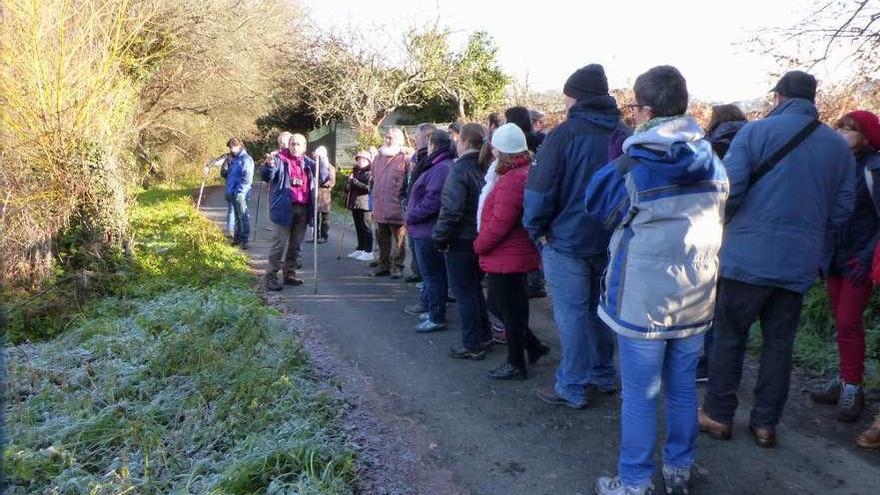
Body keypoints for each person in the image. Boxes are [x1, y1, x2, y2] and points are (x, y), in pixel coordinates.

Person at [586, 65, 729, 495]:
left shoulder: (632, 166)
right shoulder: (715, 162)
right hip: (696, 296)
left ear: (645, 110)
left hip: (643, 302)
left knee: (641, 395)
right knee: (683, 389)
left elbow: (599, 209)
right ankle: (679, 470)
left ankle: (633, 482)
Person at [701, 70, 856, 449]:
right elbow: (843, 209)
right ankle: (766, 424)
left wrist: (727, 227)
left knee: (729, 337)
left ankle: (719, 415)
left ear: (779, 96)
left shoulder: (753, 133)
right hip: (799, 264)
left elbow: (729, 192)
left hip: (746, 258)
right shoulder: (837, 147)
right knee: (778, 345)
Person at [523, 63, 620, 409]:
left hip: (566, 239)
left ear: (575, 98)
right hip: (610, 240)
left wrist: (537, 228)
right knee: (601, 311)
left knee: (572, 313)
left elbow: (539, 192)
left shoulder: (564, 135)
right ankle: (604, 374)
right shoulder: (622, 134)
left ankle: (573, 385)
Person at [810, 110, 880, 423]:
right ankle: (845, 379)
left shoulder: (875, 168)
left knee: (849, 321)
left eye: (849, 129)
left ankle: (853, 387)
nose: (841, 132)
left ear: (866, 137)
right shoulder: (838, 165)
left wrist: (865, 258)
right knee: (842, 321)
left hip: (857, 260)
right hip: (836, 257)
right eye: (839, 126)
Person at [475, 123, 550, 380]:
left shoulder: (511, 179)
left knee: (505, 308)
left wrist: (478, 245)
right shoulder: (522, 171)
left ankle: (517, 362)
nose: (492, 152)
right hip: (514, 253)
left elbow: (500, 223)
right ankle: (533, 347)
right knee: (510, 308)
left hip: (507, 254)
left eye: (495, 148)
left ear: (502, 151)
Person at [697, 104, 748, 381]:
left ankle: (711, 363)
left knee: (713, 303)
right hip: (750, 236)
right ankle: (731, 367)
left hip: (718, 232)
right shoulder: (757, 142)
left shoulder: (712, 147)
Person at [434, 123, 492, 360]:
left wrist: (439, 237)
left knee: (464, 292)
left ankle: (472, 343)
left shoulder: (459, 171)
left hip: (461, 239)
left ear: (465, 142)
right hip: (479, 237)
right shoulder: (486, 166)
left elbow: (452, 209)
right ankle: (484, 334)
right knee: (475, 290)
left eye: (457, 140)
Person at [262, 133, 329, 290]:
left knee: (296, 244)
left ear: (305, 147)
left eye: (298, 144)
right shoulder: (279, 159)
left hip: (303, 209)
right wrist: (269, 165)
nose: (295, 147)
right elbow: (267, 176)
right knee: (279, 244)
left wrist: (323, 160)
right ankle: (271, 276)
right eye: (292, 144)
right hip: (284, 208)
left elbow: (323, 177)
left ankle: (289, 274)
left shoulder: (308, 163)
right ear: (288, 145)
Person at [405, 129, 456, 332]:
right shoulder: (438, 164)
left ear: (433, 144)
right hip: (425, 228)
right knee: (435, 274)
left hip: (427, 229)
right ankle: (434, 309)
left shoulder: (441, 167)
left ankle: (436, 315)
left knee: (432, 274)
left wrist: (412, 215)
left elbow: (433, 199)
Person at [505, 106, 548, 298]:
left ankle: (531, 280)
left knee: (525, 235)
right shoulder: (541, 139)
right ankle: (537, 281)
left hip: (522, 191)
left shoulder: (514, 142)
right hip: (540, 190)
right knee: (535, 236)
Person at [371, 128, 412, 279]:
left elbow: (410, 181)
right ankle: (383, 265)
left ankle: (398, 267)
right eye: (386, 137)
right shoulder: (378, 158)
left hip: (397, 207)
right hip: (380, 205)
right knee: (382, 239)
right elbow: (373, 177)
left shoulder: (406, 158)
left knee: (399, 241)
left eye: (390, 138)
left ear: (399, 140)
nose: (387, 140)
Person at [402, 123, 437, 284]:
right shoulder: (417, 156)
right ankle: (418, 273)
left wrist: (415, 212)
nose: (414, 139)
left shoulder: (429, 160)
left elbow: (430, 191)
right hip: (413, 207)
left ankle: (426, 283)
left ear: (426, 137)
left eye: (417, 136)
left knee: (426, 258)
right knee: (414, 245)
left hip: (422, 214)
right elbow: (410, 180)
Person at [224, 138, 254, 250]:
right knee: (237, 216)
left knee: (243, 216)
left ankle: (244, 240)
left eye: (233, 147)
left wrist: (240, 192)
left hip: (241, 193)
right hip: (232, 192)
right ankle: (237, 238)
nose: (231, 149)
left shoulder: (246, 159)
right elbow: (230, 177)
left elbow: (247, 178)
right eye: (230, 147)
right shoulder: (235, 159)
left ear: (239, 146)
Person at [346, 151, 374, 261]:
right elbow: (349, 187)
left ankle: (368, 251)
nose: (360, 161)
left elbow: (368, 188)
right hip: (355, 203)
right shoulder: (356, 171)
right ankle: (360, 248)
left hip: (365, 203)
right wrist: (348, 184)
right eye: (359, 159)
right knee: (358, 227)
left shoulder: (370, 172)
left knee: (366, 227)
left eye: (363, 159)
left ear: (368, 160)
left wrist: (355, 182)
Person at [314, 146, 336, 244]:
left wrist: (324, 183)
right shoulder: (315, 166)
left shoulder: (330, 167)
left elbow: (332, 181)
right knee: (315, 218)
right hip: (315, 195)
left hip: (325, 196)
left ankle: (324, 236)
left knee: (325, 218)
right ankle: (315, 236)